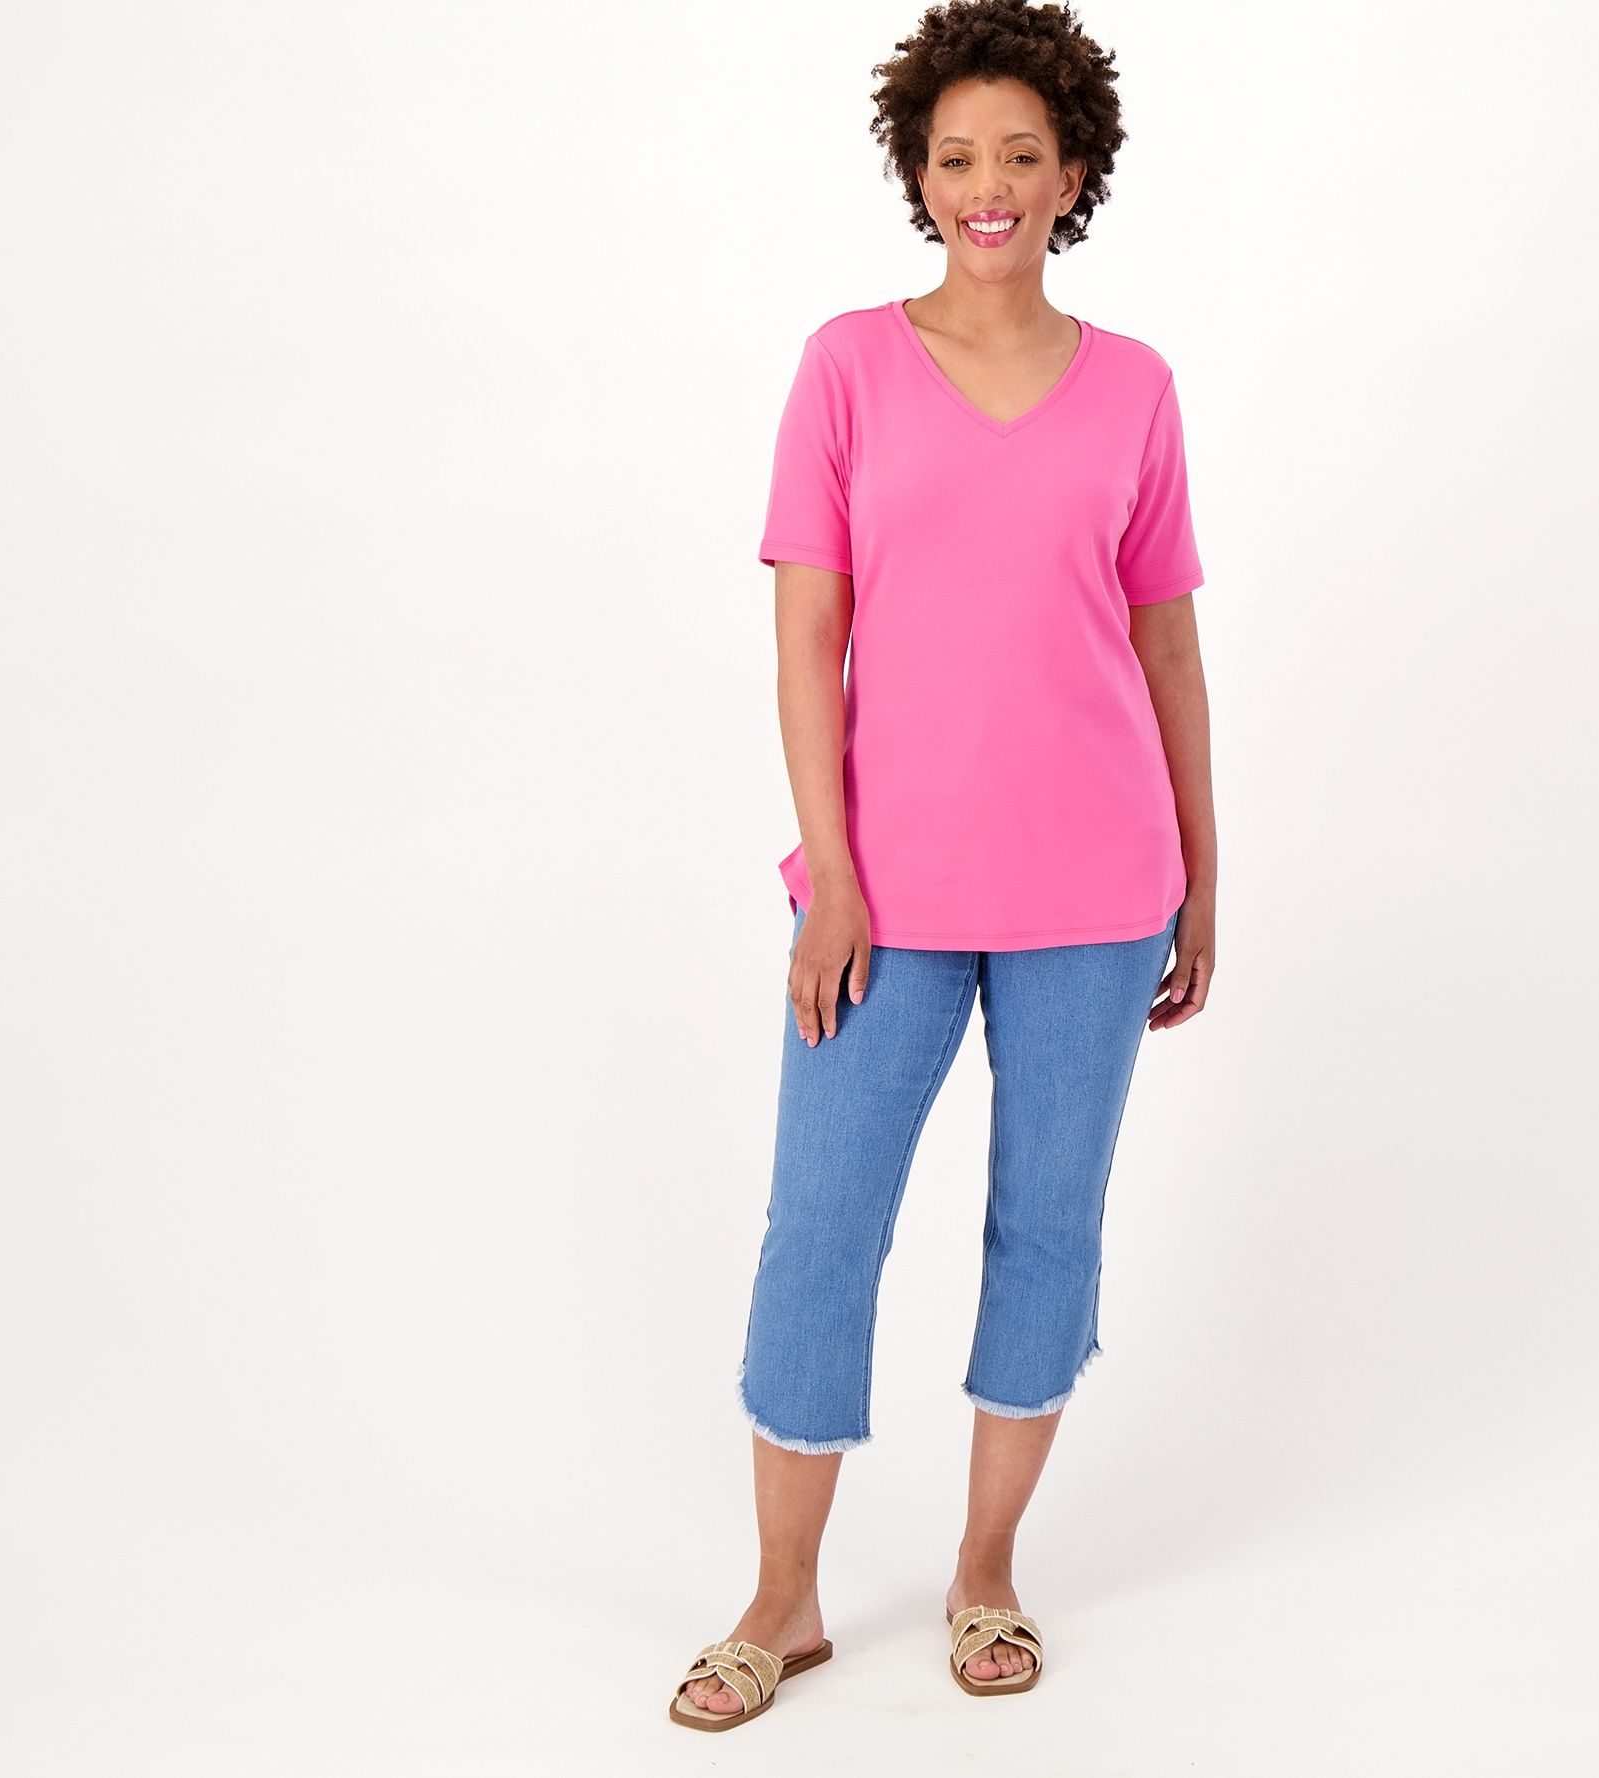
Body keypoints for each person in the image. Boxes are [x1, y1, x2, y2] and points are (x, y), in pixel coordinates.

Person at [670, 0, 1218, 1730]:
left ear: (1073, 174)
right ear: (918, 172)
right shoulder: (846, 365)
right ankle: (783, 1600)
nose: (990, 185)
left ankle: (987, 1572)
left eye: (1022, 156)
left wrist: (1203, 877)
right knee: (819, 1230)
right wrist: (832, 877)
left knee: (1047, 1227)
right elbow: (805, 634)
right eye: (958, 155)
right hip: (883, 892)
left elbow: (1168, 645)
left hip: (1098, 887)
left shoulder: (1137, 387)